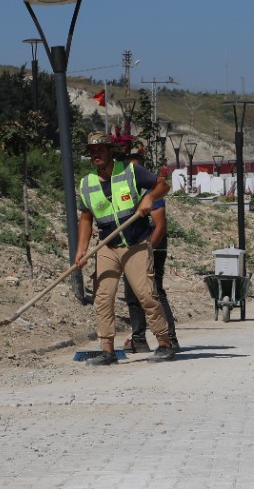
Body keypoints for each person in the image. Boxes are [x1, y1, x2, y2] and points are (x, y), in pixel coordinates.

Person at [75, 131, 175, 365]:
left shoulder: (131, 171)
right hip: (107, 246)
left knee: (145, 294)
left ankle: (164, 343)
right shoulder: (87, 183)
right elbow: (86, 218)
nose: (95, 154)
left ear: (111, 151)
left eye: (100, 150)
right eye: (92, 151)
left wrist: (150, 197)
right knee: (103, 297)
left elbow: (164, 185)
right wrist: (81, 250)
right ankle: (108, 351)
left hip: (136, 243)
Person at [121, 148, 180, 356]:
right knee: (131, 292)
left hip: (152, 248)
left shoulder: (150, 193)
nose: (135, 171)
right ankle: (138, 339)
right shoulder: (128, 192)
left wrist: (146, 252)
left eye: (137, 167)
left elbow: (160, 226)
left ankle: (170, 339)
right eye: (131, 167)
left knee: (154, 291)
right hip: (134, 248)